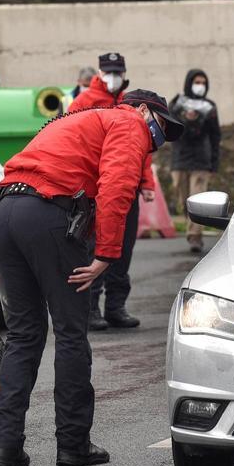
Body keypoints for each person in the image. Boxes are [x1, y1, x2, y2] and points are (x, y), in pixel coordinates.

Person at [0, 89, 183, 466]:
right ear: (143, 110)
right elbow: (117, 187)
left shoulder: (79, 119)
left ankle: (5, 446)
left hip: (6, 210)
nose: (156, 141)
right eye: (160, 126)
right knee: (71, 332)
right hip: (48, 214)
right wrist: (106, 255)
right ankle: (73, 444)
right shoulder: (128, 123)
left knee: (24, 333)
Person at [68, 52, 156, 331]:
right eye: (109, 71)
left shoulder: (131, 103)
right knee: (95, 247)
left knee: (123, 249)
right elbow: (72, 140)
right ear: (100, 72)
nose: (113, 77)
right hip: (95, 190)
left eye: (118, 71)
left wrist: (147, 183)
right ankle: (91, 307)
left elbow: (143, 149)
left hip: (126, 187)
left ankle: (116, 307)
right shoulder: (84, 102)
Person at [169, 69, 222, 254]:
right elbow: (171, 130)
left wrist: (214, 163)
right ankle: (191, 226)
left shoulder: (209, 106)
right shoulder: (177, 104)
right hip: (180, 159)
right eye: (196, 82)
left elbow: (215, 136)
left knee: (197, 198)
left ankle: (195, 236)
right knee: (183, 200)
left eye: (203, 83)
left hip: (201, 160)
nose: (200, 86)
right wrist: (186, 119)